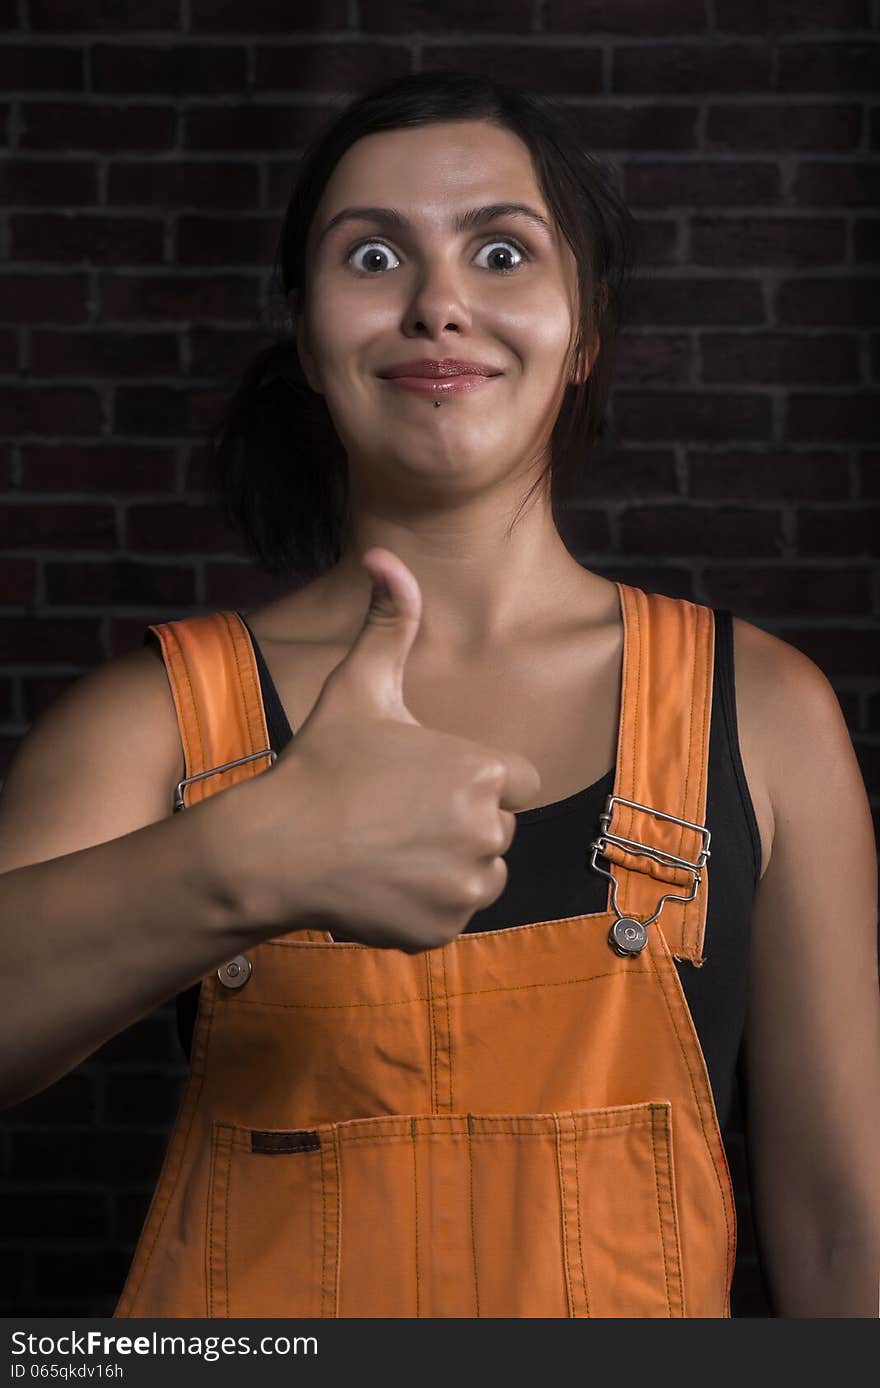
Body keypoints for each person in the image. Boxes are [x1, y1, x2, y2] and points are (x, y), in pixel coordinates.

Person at [0, 70, 877, 1320]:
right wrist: (244, 858)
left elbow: (846, 1233)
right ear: (307, 338)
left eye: (502, 252)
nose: (439, 305)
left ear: (585, 331)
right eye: (372, 256)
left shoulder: (765, 708)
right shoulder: (150, 717)